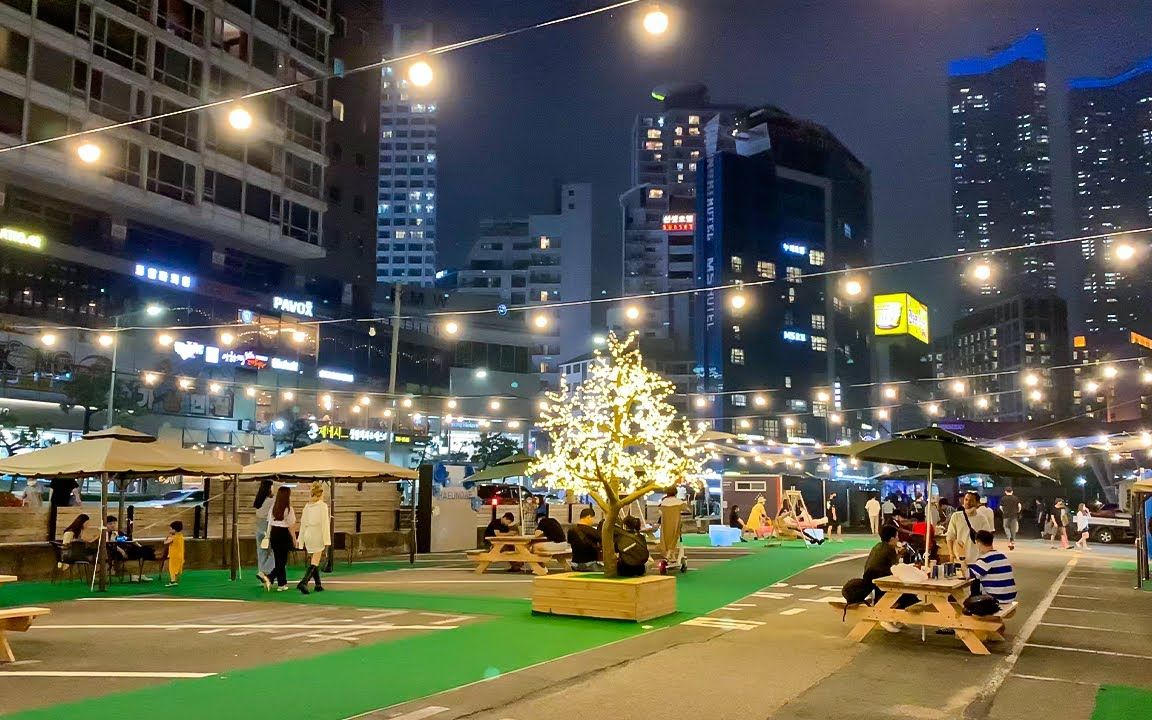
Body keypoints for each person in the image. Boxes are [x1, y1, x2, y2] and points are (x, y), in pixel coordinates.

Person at [862, 525, 917, 631]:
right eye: (897, 536)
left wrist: (898, 554)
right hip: (881, 582)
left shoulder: (878, 546)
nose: (898, 538)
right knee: (911, 596)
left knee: (904, 594)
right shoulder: (889, 549)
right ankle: (886, 617)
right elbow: (896, 568)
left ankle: (893, 617)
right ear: (892, 538)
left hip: (871, 580)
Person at [296, 482, 331, 594]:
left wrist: (300, 540)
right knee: (315, 561)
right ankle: (304, 582)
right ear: (321, 494)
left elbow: (303, 523)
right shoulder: (323, 506)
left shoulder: (307, 506)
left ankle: (318, 584)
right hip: (317, 534)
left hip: (308, 534)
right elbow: (325, 524)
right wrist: (327, 540)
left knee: (314, 559)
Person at [968, 530, 1016, 603]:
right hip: (1010, 597)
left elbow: (967, 575)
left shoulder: (985, 559)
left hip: (996, 599)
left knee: (975, 584)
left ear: (978, 543)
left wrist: (961, 558)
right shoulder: (1002, 556)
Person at [946, 491, 995, 563]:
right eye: (966, 499)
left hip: (977, 560)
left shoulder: (982, 518)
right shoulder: (956, 516)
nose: (968, 503)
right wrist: (951, 554)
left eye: (971, 500)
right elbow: (950, 536)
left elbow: (987, 540)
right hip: (960, 559)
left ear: (977, 503)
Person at [267, 485, 297, 591]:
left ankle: (281, 584)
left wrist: (269, 535)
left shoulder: (273, 508)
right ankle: (270, 577)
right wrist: (294, 538)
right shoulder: (288, 509)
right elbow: (291, 525)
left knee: (278, 559)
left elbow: (269, 522)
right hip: (283, 534)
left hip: (274, 533)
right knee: (282, 561)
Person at [252, 479, 275, 590]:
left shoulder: (258, 501)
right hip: (268, 529)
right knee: (274, 552)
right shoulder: (271, 501)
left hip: (259, 529)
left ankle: (262, 572)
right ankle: (264, 571)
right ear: (269, 488)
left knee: (261, 552)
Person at [163, 520, 185, 587]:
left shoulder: (173, 537)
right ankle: (175, 580)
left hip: (174, 556)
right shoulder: (181, 536)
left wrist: (167, 536)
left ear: (174, 529)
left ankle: (173, 581)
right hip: (180, 555)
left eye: (170, 529)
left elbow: (165, 542)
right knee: (177, 568)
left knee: (172, 568)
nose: (169, 530)